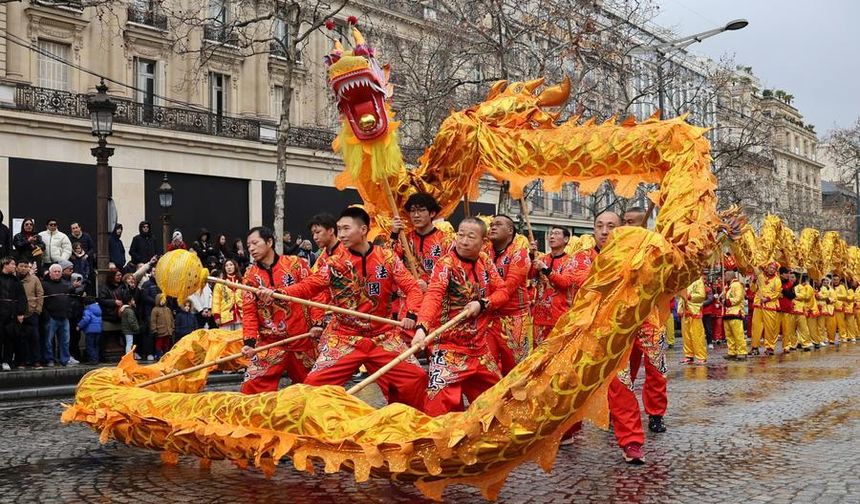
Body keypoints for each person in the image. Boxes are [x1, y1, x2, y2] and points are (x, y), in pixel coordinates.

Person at [276, 207, 427, 408]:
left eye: (346, 228)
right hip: (345, 337)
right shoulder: (334, 263)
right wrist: (280, 293)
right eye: (339, 229)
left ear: (363, 229)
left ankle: (404, 421)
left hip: (383, 336)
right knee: (313, 387)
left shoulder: (387, 257)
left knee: (416, 378)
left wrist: (411, 313)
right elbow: (309, 287)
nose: (342, 234)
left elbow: (413, 289)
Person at [413, 217, 510, 415]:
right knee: (437, 405)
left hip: (479, 348)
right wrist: (421, 328)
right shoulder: (446, 264)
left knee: (496, 402)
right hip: (449, 347)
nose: (463, 241)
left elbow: (503, 292)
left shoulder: (485, 261)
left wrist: (482, 304)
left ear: (483, 242)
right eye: (461, 235)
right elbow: (433, 295)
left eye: (470, 237)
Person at [238, 226, 319, 393]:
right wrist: (249, 342)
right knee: (250, 389)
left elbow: (316, 292)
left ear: (269, 242)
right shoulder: (250, 277)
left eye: (255, 243)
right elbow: (249, 311)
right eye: (248, 245)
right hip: (270, 343)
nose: (251, 248)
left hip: (302, 340)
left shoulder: (296, 264)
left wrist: (318, 323)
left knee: (316, 390)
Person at [485, 214, 532, 373]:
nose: (493, 227)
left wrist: (483, 303)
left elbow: (508, 287)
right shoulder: (483, 252)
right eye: (491, 225)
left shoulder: (520, 253)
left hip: (514, 320)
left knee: (516, 372)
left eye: (498, 224)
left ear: (510, 230)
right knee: (487, 367)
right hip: (488, 319)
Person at [390, 192, 454, 291]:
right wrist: (394, 234)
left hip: (434, 297)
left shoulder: (446, 241)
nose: (416, 215)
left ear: (432, 213)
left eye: (421, 210)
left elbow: (453, 272)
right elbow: (388, 261)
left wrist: (429, 287)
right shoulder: (404, 239)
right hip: (409, 296)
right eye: (412, 211)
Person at [530, 226, 575, 346]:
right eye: (550, 234)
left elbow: (565, 282)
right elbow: (530, 276)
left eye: (556, 233)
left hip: (559, 317)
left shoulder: (570, 261)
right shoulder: (542, 258)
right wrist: (530, 255)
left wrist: (545, 269)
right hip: (540, 317)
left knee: (556, 355)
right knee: (538, 354)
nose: (551, 236)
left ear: (566, 239)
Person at [41, 263, 79, 367]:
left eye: (59, 272)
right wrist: (46, 315)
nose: (57, 273)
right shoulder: (44, 284)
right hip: (51, 317)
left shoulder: (66, 284)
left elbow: (70, 297)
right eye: (55, 272)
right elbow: (41, 301)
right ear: (50, 273)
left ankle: (65, 360)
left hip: (64, 317)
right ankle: (49, 359)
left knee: (65, 341)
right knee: (48, 341)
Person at [749, 262, 782, 356]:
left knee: (770, 328)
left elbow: (777, 293)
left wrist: (767, 298)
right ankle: (755, 347)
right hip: (758, 305)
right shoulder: (759, 277)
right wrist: (754, 281)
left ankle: (770, 347)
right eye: (770, 267)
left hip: (770, 306)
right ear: (766, 267)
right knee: (756, 327)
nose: (771, 270)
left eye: (773, 269)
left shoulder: (777, 280)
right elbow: (753, 289)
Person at [0, 257, 26, 371]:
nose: (14, 266)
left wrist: (20, 312)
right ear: (5, 264)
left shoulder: (16, 280)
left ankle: (7, 361)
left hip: (11, 313)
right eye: (12, 264)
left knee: (9, 338)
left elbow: (22, 297)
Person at [15, 260, 43, 368]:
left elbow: (40, 294)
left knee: (34, 338)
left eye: (26, 266)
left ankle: (36, 360)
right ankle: (22, 361)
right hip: (17, 314)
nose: (23, 268)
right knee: (20, 339)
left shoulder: (34, 279)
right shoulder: (14, 279)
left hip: (32, 313)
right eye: (21, 266)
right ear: (17, 267)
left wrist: (38, 309)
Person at [681, 274, 707, 365]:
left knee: (697, 334)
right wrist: (680, 309)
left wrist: (689, 296)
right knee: (686, 336)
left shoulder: (698, 281)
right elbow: (681, 296)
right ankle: (688, 355)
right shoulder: (684, 281)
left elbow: (701, 295)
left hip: (694, 311)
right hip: (686, 312)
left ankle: (701, 356)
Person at [212, 259, 243, 331]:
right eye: (226, 266)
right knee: (226, 339)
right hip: (225, 316)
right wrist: (216, 315)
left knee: (240, 340)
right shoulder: (220, 283)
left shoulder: (242, 281)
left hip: (242, 316)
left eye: (231, 265)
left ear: (235, 266)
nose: (229, 267)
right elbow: (216, 301)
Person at [722, 270, 747, 359]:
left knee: (738, 334)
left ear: (730, 276)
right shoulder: (727, 286)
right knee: (729, 335)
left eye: (725, 275)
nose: (724, 277)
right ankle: (732, 352)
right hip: (728, 312)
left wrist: (727, 301)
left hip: (735, 312)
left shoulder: (737, 285)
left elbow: (738, 298)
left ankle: (742, 352)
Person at [778, 268, 797, 353]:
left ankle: (786, 346)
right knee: (774, 330)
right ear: (782, 274)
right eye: (787, 273)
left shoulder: (790, 284)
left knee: (786, 330)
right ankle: (770, 347)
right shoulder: (776, 282)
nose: (788, 275)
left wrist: (784, 291)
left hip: (786, 310)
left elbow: (792, 295)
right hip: (777, 309)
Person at [77, 298, 102, 365]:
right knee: (96, 345)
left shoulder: (88, 309)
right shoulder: (98, 309)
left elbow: (86, 319)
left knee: (90, 346)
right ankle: (96, 359)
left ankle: (93, 360)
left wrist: (79, 325)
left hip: (90, 330)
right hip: (98, 330)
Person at [150, 294, 174, 359]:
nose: (163, 301)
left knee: (166, 344)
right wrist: (154, 330)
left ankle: (165, 355)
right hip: (160, 331)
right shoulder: (155, 310)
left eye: (164, 300)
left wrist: (172, 328)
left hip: (168, 330)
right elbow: (153, 321)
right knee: (159, 343)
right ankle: (158, 355)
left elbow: (171, 319)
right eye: (161, 300)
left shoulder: (168, 309)